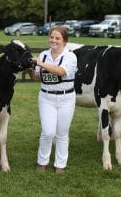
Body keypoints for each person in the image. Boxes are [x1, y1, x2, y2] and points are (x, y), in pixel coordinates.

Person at [30, 26, 77, 173]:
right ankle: (42, 162)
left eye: (57, 38)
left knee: (62, 133)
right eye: (52, 37)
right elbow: (37, 78)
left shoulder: (70, 56)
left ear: (64, 41)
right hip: (46, 98)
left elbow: (61, 71)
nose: (53, 40)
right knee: (48, 132)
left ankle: (60, 165)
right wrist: (30, 68)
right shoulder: (44, 55)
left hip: (66, 98)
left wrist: (39, 63)